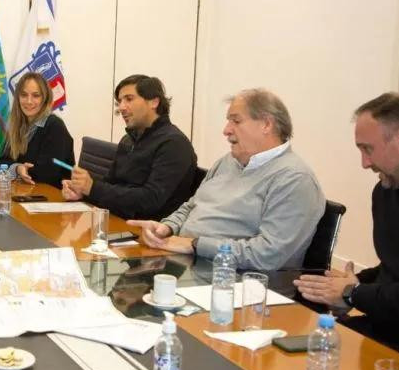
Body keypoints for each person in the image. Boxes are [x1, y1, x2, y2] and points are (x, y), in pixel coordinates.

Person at [130, 88, 325, 270]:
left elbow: (268, 254)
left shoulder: (295, 180)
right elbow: (193, 206)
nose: (226, 130)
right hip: (188, 263)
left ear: (266, 124)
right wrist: (166, 227)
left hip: (239, 281)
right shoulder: (228, 161)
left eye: (236, 121)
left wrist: (195, 245)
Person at [294, 92, 399, 351]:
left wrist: (353, 293)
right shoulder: (385, 192)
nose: (365, 164)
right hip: (384, 326)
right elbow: (394, 269)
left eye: (368, 149)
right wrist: (345, 285)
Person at [62, 74, 197, 220]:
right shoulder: (129, 139)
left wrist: (93, 188)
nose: (121, 107)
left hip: (147, 233)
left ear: (154, 102)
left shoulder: (174, 144)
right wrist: (83, 192)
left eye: (129, 99)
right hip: (117, 221)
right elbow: (110, 185)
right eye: (120, 101)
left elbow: (150, 200)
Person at [0, 72, 74, 188]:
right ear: (17, 98)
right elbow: (3, 162)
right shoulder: (18, 125)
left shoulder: (55, 126)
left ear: (45, 98)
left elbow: (47, 174)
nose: (29, 101)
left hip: (54, 197)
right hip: (28, 193)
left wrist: (23, 170)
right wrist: (18, 168)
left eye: (36, 95)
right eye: (24, 95)